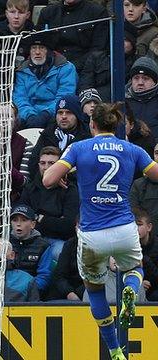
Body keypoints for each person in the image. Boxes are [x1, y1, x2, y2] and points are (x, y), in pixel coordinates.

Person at [42, 102, 158, 360]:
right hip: (124, 228)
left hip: (93, 233)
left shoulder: (79, 148)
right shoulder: (132, 149)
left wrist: (67, 169)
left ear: (92, 124)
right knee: (135, 268)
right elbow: (155, 174)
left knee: (93, 290)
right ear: (116, 125)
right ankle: (130, 289)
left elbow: (47, 179)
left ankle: (114, 349)